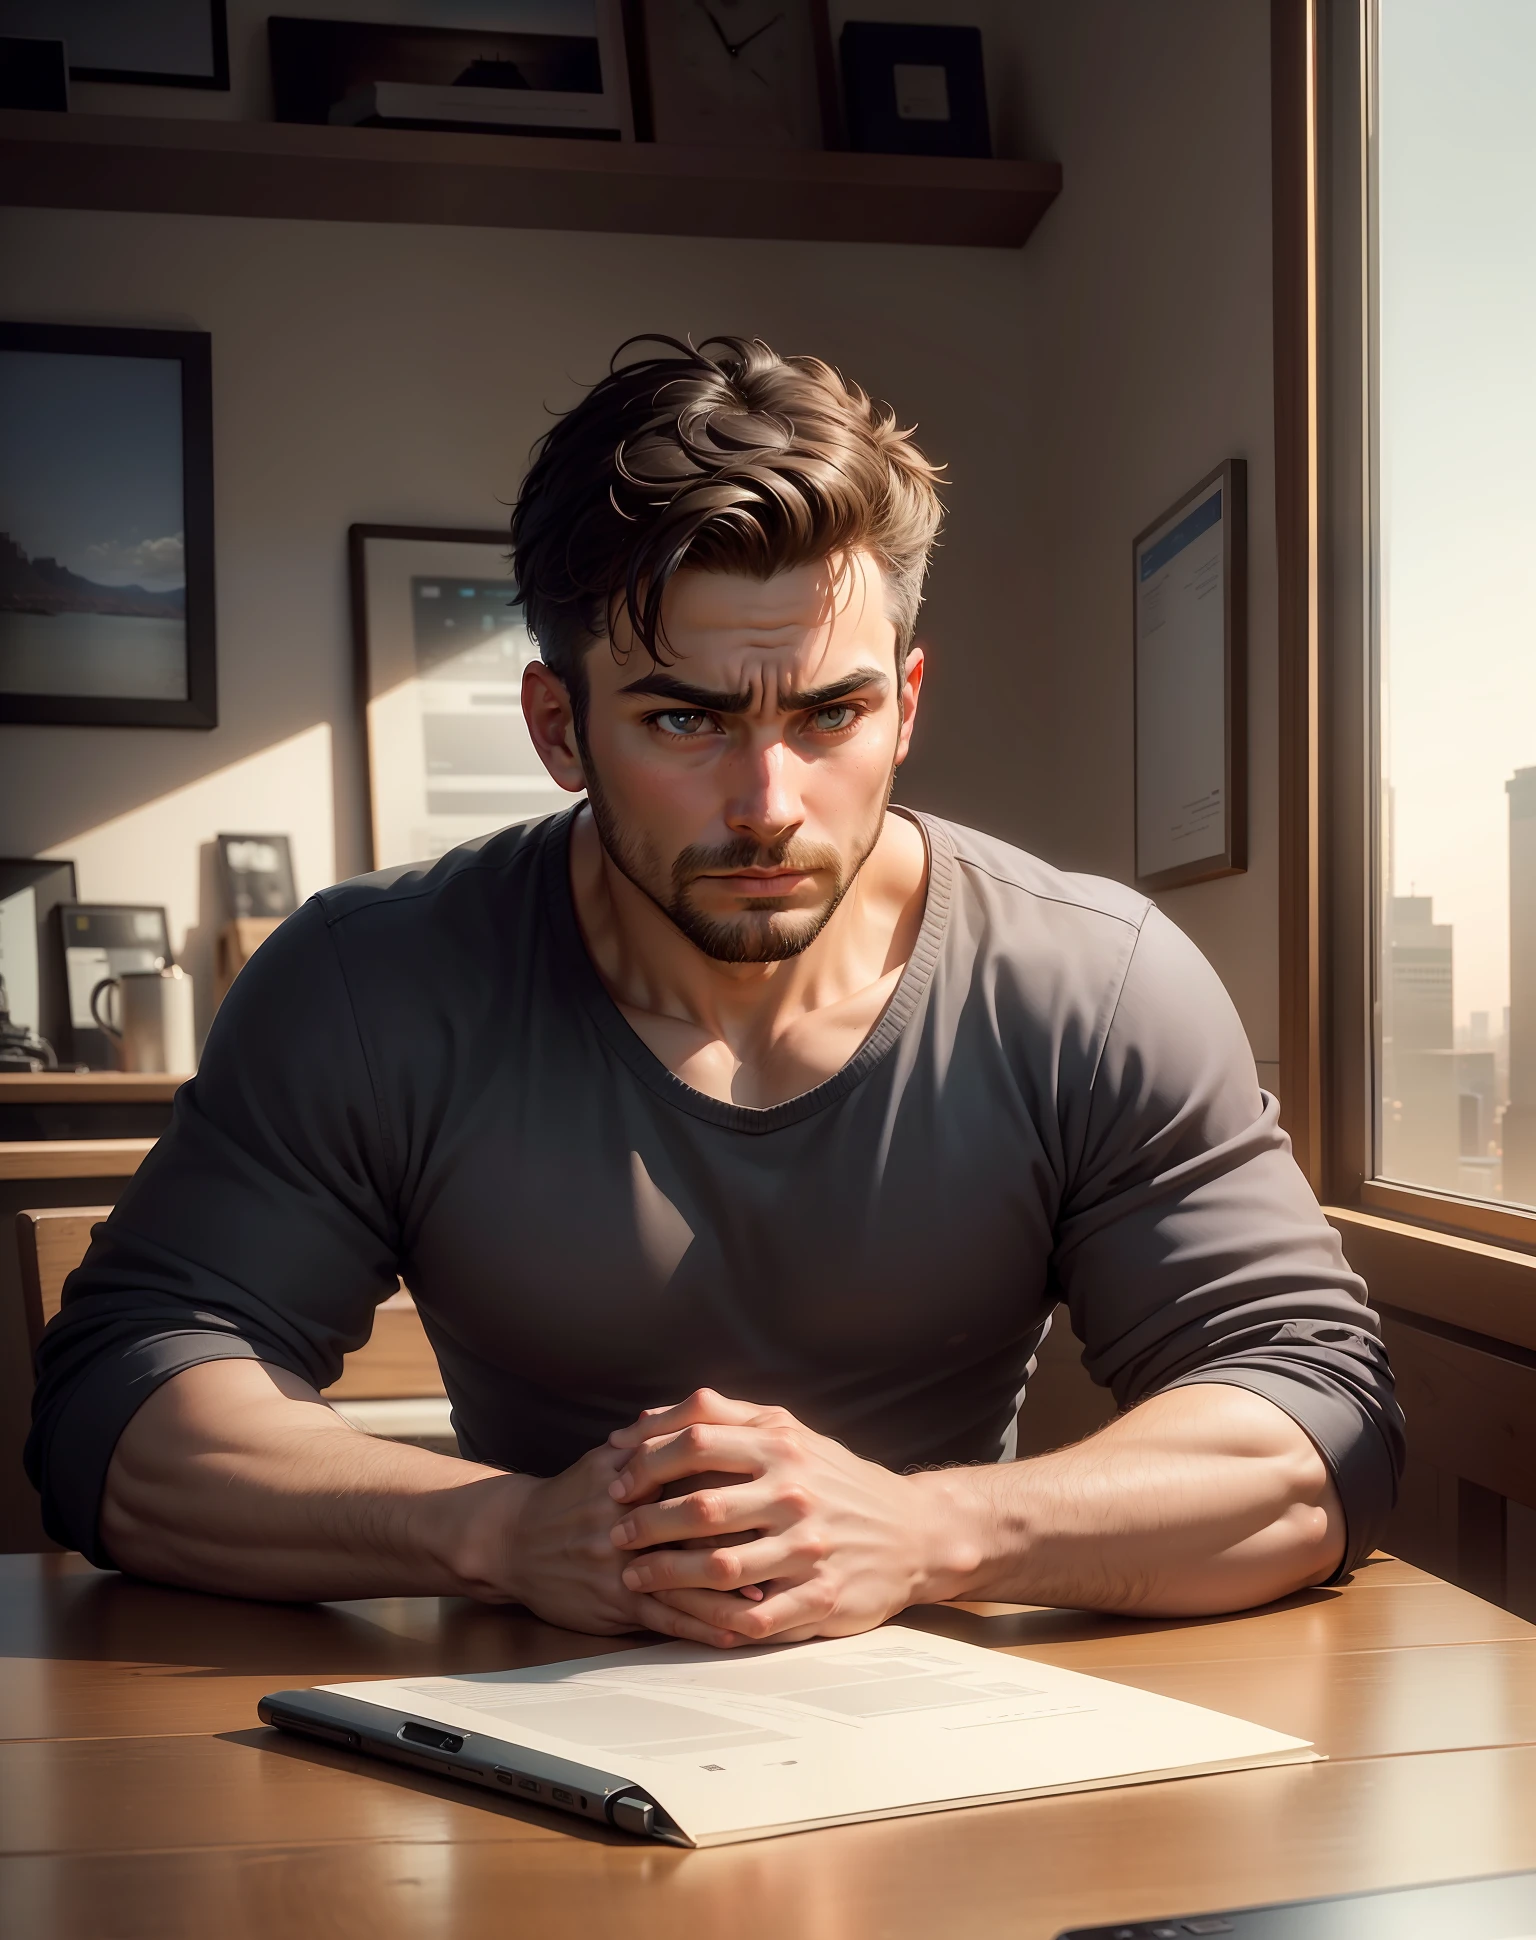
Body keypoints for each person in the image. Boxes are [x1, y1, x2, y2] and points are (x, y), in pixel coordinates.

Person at [27, 335, 1403, 1650]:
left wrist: (927, 1534)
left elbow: (1314, 1419)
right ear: (560, 728)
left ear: (905, 705)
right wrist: (505, 1535)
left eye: (829, 717)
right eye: (685, 720)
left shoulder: (1098, 985)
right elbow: (121, 1404)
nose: (767, 806)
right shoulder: (368, 985)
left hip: (961, 1728)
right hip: (526, 1732)